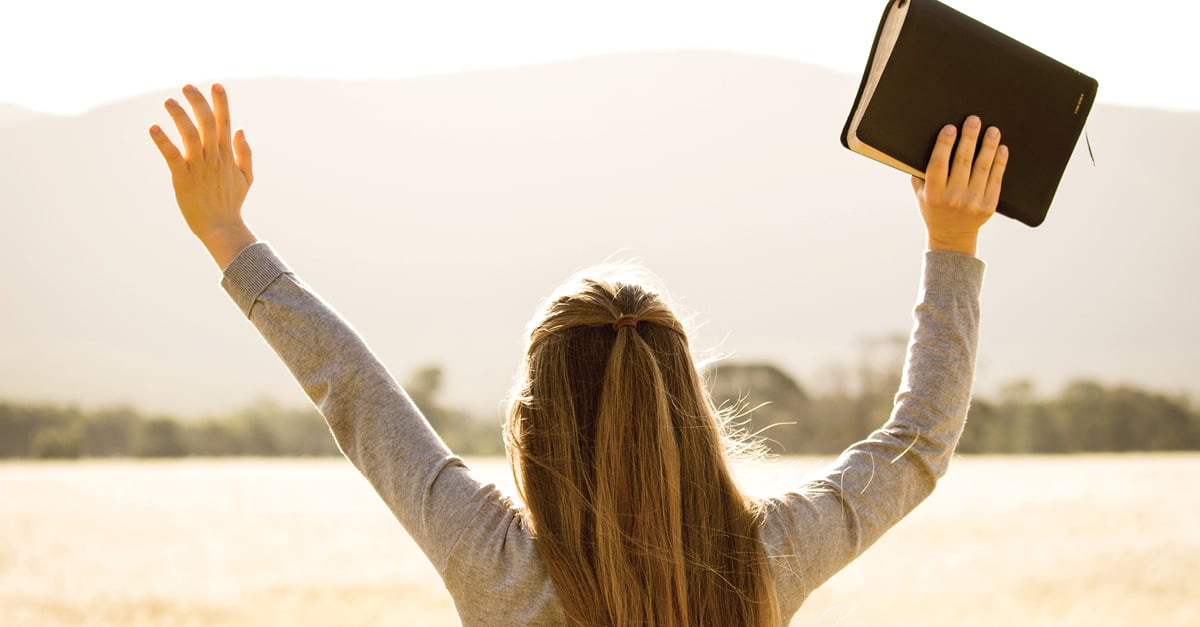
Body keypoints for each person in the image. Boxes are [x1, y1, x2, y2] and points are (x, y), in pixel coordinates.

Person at [149, 83, 1006, 627]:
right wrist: (953, 240)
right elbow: (918, 442)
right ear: (689, 408)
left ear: (530, 419)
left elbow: (356, 391)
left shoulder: (497, 563)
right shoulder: (764, 561)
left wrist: (227, 234)